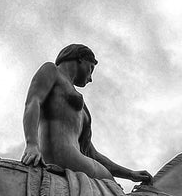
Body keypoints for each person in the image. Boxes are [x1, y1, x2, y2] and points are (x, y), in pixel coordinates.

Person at [21, 44, 152, 184]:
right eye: (91, 69)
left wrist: (130, 174)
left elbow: (90, 152)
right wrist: (32, 145)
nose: (90, 78)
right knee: (112, 187)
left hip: (77, 160)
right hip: (61, 159)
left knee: (113, 188)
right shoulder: (52, 70)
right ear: (80, 59)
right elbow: (33, 102)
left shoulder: (84, 111)